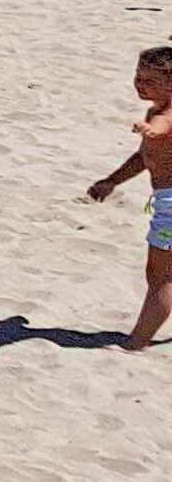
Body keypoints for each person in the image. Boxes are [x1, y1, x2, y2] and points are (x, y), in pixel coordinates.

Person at [83, 45, 172, 351]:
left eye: (149, 80)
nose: (139, 84)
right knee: (159, 274)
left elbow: (161, 130)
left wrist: (150, 129)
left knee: (162, 277)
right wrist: (111, 181)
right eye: (137, 77)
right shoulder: (155, 110)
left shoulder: (165, 116)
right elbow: (143, 157)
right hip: (165, 202)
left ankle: (136, 343)